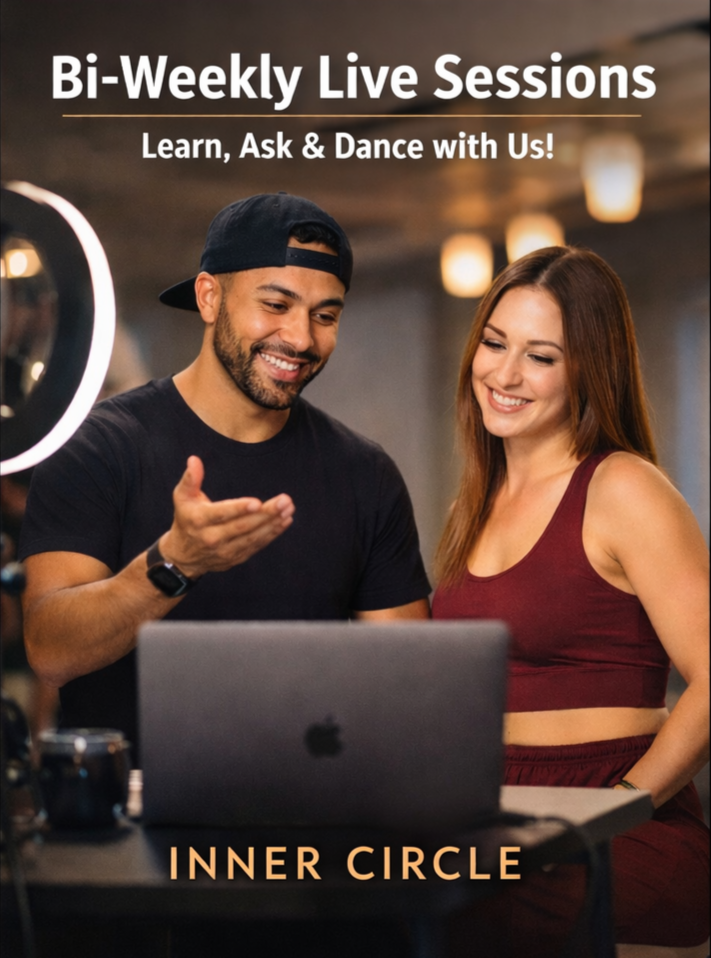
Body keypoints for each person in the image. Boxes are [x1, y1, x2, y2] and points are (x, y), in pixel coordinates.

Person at [19, 192, 431, 755]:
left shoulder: (366, 475)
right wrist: (174, 564)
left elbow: (409, 688)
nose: (302, 338)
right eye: (276, 303)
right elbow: (51, 650)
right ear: (210, 297)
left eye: (325, 315)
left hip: (310, 812)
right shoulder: (97, 448)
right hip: (135, 820)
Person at [432, 246, 709, 957]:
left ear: (588, 366)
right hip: (490, 808)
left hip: (609, 808)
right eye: (493, 344)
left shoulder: (622, 487)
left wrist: (616, 805)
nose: (504, 373)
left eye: (540, 356)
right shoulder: (475, 504)